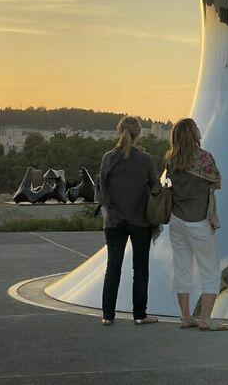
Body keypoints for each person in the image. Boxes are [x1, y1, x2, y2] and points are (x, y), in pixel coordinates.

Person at [165, 118, 228, 331]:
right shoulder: (204, 158)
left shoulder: (171, 159)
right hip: (199, 220)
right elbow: (217, 182)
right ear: (194, 134)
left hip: (176, 219)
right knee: (209, 270)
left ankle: (185, 317)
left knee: (182, 268)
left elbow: (169, 184)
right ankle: (205, 319)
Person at [97, 115, 159, 325]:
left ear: (118, 131)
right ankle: (140, 315)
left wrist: (111, 211)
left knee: (113, 267)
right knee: (140, 269)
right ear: (138, 133)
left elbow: (102, 191)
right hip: (140, 221)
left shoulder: (108, 157)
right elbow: (156, 188)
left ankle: (108, 316)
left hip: (114, 221)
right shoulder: (145, 159)